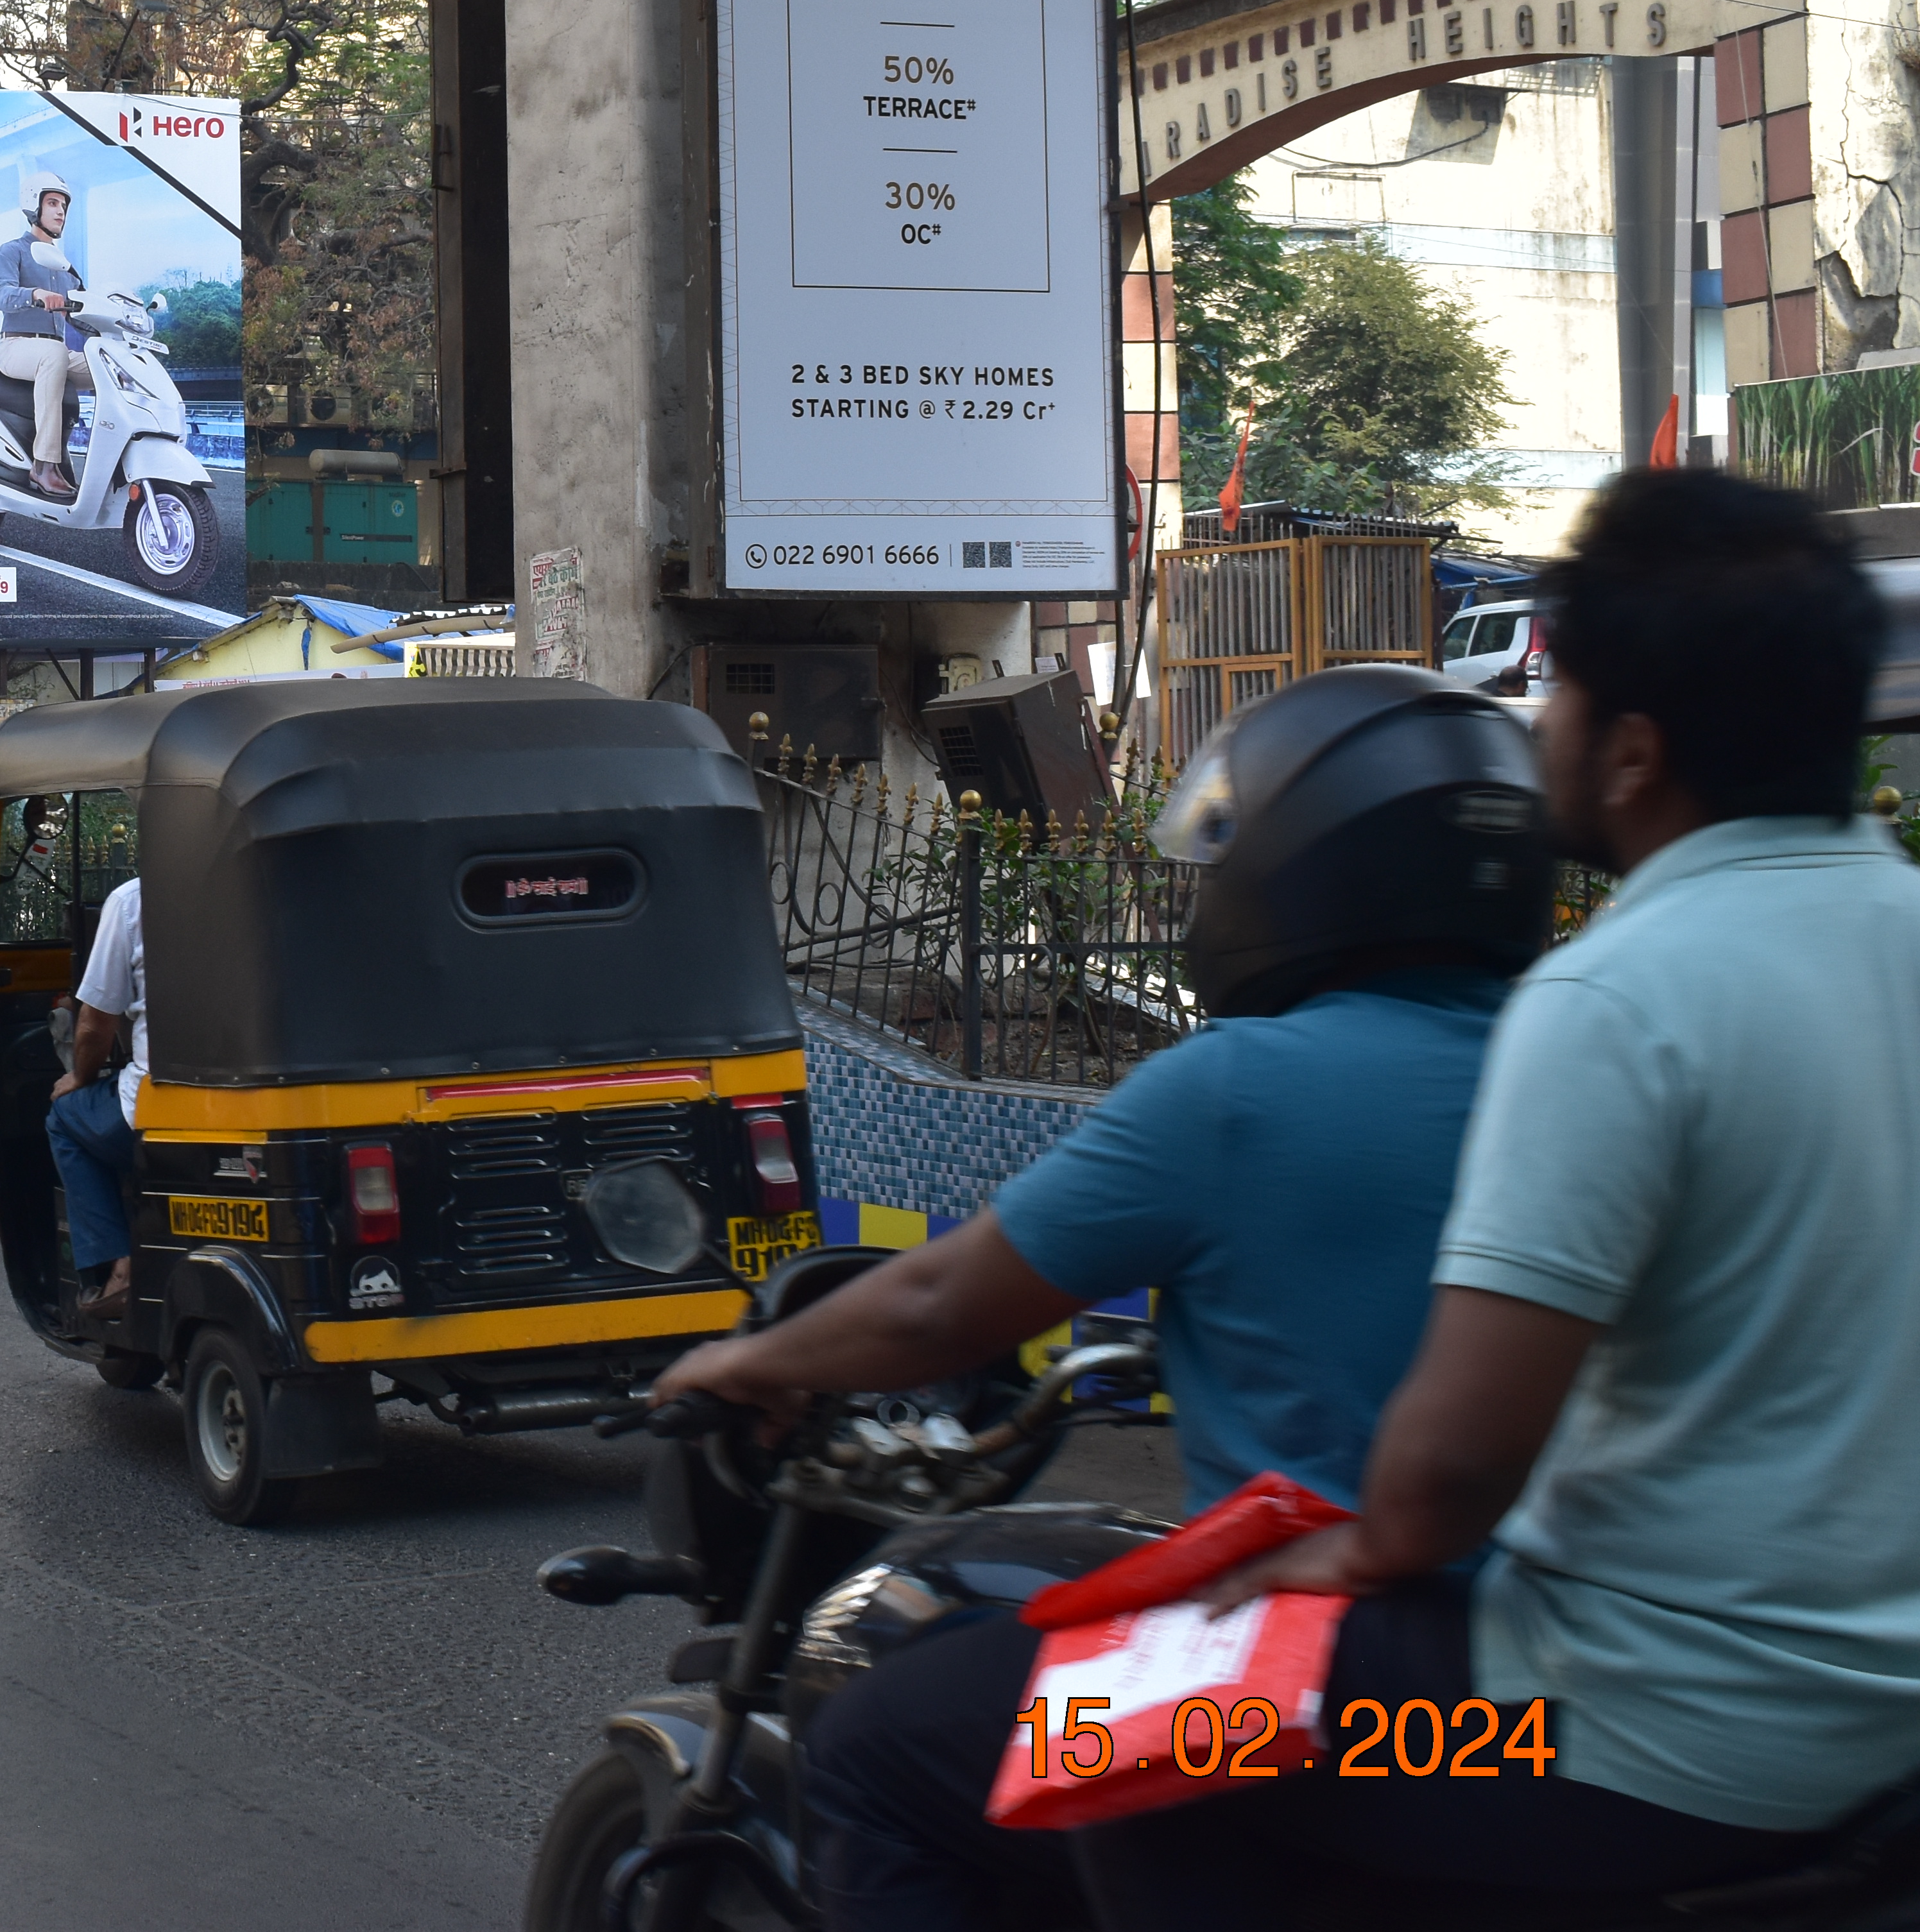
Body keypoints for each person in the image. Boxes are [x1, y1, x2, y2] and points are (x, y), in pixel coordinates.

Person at [1112, 471, 1920, 1924]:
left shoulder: (1618, 992)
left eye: (1555, 694)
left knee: (1118, 1735)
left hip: (1616, 1735)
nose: (1530, 723)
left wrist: (1341, 1550)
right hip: (1884, 1728)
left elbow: (1443, 1478)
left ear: (1631, 751)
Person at [646, 663, 1561, 1932]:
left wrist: (752, 1363)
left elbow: (938, 1306)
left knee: (877, 1742)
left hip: (1338, 1688)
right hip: (1565, 1698)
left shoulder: (1238, 1086)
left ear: (1299, 867)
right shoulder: (1588, 1059)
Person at [49, 873, 151, 1321]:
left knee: (66, 1117)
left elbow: (94, 1024)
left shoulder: (132, 902)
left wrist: (80, 1075)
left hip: (160, 1103)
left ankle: (120, 1265)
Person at [0, 173, 93, 499]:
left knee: (110, 368)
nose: (61, 212)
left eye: (63, 206)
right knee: (55, 354)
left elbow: (85, 309)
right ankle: (44, 466)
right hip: (16, 346)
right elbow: (1, 295)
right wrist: (35, 293)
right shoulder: (12, 251)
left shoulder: (65, 268)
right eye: (52, 204)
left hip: (54, 352)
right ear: (33, 206)